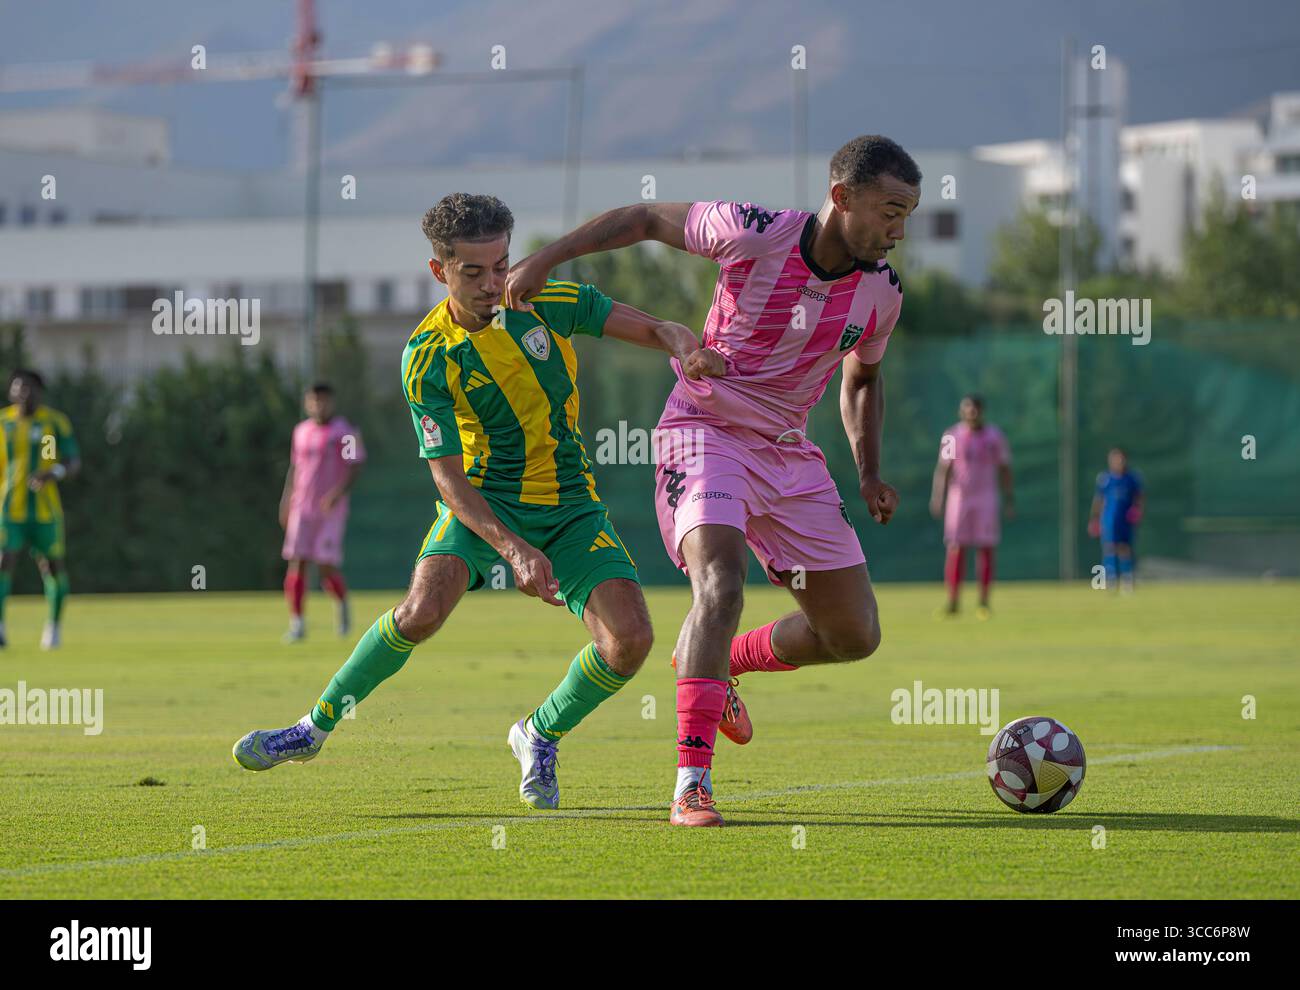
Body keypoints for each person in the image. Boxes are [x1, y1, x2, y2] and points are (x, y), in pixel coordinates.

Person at [235, 193, 724, 810]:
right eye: (474, 272)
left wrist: (684, 347)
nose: (495, 284)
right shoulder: (428, 355)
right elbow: (447, 479)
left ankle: (538, 732)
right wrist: (513, 549)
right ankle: (312, 728)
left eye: (501, 265)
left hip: (570, 504)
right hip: (483, 503)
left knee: (629, 642)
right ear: (439, 271)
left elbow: (657, 328)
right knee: (421, 611)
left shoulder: (543, 300)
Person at [506, 135, 920, 826]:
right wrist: (545, 259)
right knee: (721, 585)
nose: (898, 229)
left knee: (853, 636)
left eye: (907, 213)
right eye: (888, 210)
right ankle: (691, 783)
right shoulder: (754, 233)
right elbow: (641, 220)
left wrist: (869, 470)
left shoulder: (882, 293)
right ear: (842, 198)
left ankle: (719, 660)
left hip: (789, 453)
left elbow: (863, 380)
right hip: (705, 433)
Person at [0, 370, 80, 650]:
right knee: (2, 561)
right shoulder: (2, 422)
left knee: (53, 566)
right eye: (18, 387)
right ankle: (0, 629)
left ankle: (53, 627)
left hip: (45, 512)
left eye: (29, 388)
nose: (23, 392)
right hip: (9, 510)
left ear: (39, 392)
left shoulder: (53, 423)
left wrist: (52, 472)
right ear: (11, 392)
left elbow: (72, 461)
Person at [279, 383, 366, 642]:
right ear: (307, 403)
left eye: (324, 400)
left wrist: (337, 494)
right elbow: (294, 468)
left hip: (330, 511)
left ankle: (341, 606)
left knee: (326, 566)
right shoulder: (300, 431)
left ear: (332, 402)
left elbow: (355, 465)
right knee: (297, 562)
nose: (319, 405)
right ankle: (297, 624)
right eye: (314, 401)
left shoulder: (344, 431)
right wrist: (286, 500)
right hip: (301, 508)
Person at [929, 394, 1013, 618]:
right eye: (967, 409)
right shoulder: (952, 436)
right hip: (959, 498)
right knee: (956, 547)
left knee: (986, 547)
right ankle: (953, 600)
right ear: (961, 411)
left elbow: (1004, 468)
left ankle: (984, 601)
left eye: (975, 409)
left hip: (986, 497)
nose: (971, 413)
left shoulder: (995, 436)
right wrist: (938, 497)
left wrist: (1009, 498)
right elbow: (943, 469)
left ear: (981, 411)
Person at [1089, 447, 1143, 593]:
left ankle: (1127, 579)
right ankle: (1109, 579)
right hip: (1108, 519)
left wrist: (1137, 510)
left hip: (1125, 520)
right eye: (1114, 458)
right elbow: (1099, 500)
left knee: (1125, 548)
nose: (1118, 461)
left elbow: (1139, 497)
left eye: (1120, 458)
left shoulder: (1131, 478)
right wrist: (1094, 519)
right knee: (1109, 547)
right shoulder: (1105, 479)